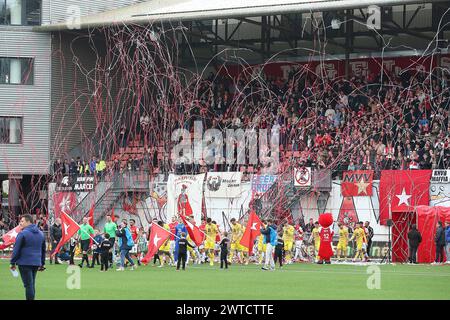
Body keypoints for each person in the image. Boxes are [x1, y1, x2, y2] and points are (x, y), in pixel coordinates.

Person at [10, 214, 46, 300]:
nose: (20, 223)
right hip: (36, 262)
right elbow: (43, 250)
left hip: (24, 262)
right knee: (31, 284)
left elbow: (16, 249)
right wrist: (42, 263)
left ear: (28, 222)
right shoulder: (41, 234)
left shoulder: (22, 233)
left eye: (22, 221)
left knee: (28, 285)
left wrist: (12, 262)